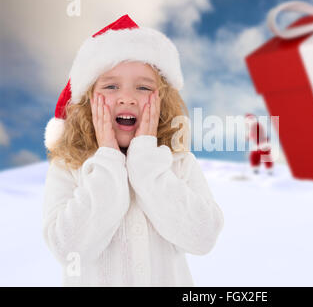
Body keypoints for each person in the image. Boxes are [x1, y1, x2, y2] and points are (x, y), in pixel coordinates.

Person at [42, 14, 224, 286]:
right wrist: (108, 160)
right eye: (111, 86)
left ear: (162, 100)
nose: (127, 97)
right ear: (87, 101)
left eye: (143, 87)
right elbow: (69, 250)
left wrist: (146, 164)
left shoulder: (179, 162)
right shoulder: (68, 167)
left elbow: (203, 237)